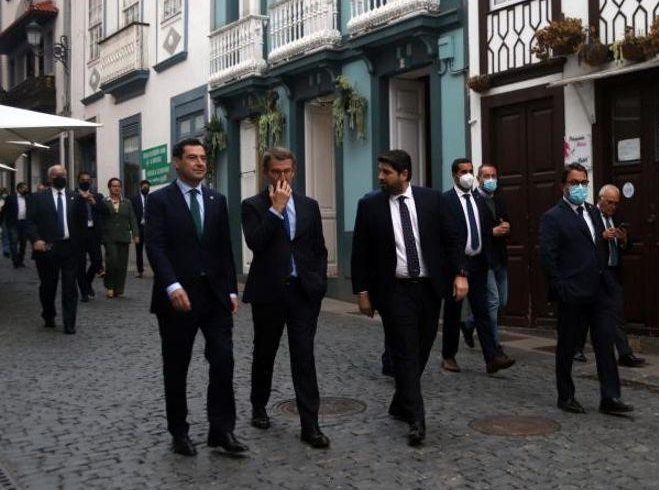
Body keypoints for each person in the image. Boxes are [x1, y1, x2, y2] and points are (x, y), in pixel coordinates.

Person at [351, 150, 468, 446]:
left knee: (423, 348)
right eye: (380, 171)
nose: (381, 177)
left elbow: (451, 238)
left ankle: (400, 401)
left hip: (429, 288)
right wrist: (362, 292)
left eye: (387, 172)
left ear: (405, 174)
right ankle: (417, 419)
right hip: (394, 290)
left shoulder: (432, 200)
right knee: (404, 349)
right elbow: (360, 251)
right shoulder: (370, 205)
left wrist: (459, 273)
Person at [145, 138, 246, 456]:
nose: (200, 163)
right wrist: (171, 285)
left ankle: (222, 430)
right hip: (178, 298)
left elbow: (224, 249)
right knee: (176, 367)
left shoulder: (217, 199)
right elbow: (156, 247)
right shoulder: (160, 200)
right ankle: (179, 432)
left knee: (224, 361)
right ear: (177, 163)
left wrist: (231, 288)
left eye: (203, 158)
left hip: (215, 297)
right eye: (192, 158)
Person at [241, 147, 330, 449]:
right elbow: (256, 242)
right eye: (276, 172)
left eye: (287, 171)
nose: (282, 177)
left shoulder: (309, 205)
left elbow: (318, 248)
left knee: (303, 356)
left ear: (294, 171)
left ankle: (310, 425)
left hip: (303, 293)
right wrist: (275, 209)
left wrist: (318, 286)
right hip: (269, 293)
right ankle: (258, 405)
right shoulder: (252, 206)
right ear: (267, 172)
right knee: (265, 352)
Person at [539, 163, 633, 415]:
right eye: (574, 183)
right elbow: (548, 258)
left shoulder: (593, 212)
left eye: (584, 183)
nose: (580, 187)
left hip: (599, 291)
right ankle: (566, 395)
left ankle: (610, 397)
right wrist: (562, 288)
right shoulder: (553, 217)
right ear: (564, 186)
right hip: (572, 292)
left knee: (605, 343)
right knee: (568, 346)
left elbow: (599, 246)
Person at [440, 158, 515, 374]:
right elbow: (449, 238)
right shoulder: (446, 200)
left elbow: (484, 230)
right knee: (454, 312)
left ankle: (492, 357)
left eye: (471, 171)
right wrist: (458, 270)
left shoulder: (478, 199)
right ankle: (449, 355)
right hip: (457, 265)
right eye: (464, 171)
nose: (468, 175)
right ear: (454, 174)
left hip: (479, 263)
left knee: (482, 311)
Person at [574, 184, 645, 367]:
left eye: (616, 203)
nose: (613, 207)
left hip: (612, 272)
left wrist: (623, 239)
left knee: (617, 313)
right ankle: (577, 348)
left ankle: (624, 353)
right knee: (585, 311)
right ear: (600, 200)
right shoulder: (590, 215)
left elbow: (629, 245)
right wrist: (602, 236)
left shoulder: (617, 217)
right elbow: (581, 241)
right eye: (610, 202)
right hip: (595, 272)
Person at [26, 165, 91, 334]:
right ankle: (48, 314)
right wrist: (36, 239)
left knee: (70, 287)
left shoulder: (75, 197)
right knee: (48, 286)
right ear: (50, 178)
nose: (60, 177)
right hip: (47, 248)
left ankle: (69, 323)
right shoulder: (38, 197)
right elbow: (30, 222)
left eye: (63, 174)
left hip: (70, 248)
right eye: (56, 175)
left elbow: (82, 222)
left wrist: (81, 245)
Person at [462, 163, 510, 355]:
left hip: (500, 257)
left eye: (494, 176)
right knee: (493, 302)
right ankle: (494, 347)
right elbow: (470, 231)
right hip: (484, 259)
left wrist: (506, 227)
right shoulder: (472, 200)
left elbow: (505, 219)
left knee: (502, 302)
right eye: (486, 176)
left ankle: (469, 323)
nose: (491, 180)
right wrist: (492, 232)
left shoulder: (499, 198)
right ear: (479, 179)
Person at [101, 177, 139, 298]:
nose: (116, 188)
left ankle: (119, 288)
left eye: (118, 186)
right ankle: (110, 286)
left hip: (123, 236)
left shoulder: (127, 202)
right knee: (112, 261)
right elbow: (100, 220)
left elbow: (132, 218)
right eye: (113, 186)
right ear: (109, 188)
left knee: (122, 264)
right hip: (109, 236)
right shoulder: (104, 202)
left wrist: (136, 234)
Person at [75, 172, 104, 302]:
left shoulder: (97, 196)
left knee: (97, 261)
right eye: (83, 180)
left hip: (93, 233)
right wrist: (81, 198)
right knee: (80, 264)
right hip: (79, 234)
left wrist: (94, 203)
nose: (86, 182)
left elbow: (104, 212)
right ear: (78, 181)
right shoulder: (73, 196)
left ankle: (87, 283)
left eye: (88, 180)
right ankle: (84, 292)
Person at [2, 182, 30, 268]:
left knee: (23, 243)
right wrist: (6, 221)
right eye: (24, 188)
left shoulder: (28, 198)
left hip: (24, 223)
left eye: (26, 188)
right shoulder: (11, 198)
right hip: (14, 223)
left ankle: (20, 260)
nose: (26, 190)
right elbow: (5, 210)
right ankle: (15, 260)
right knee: (13, 242)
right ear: (19, 189)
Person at [130, 179, 150, 278]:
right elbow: (132, 215)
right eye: (144, 187)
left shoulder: (152, 198)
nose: (146, 189)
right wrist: (134, 232)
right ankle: (140, 270)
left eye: (147, 187)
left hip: (150, 229)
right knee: (139, 251)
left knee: (152, 251)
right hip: (139, 228)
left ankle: (156, 271)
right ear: (140, 188)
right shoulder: (134, 199)